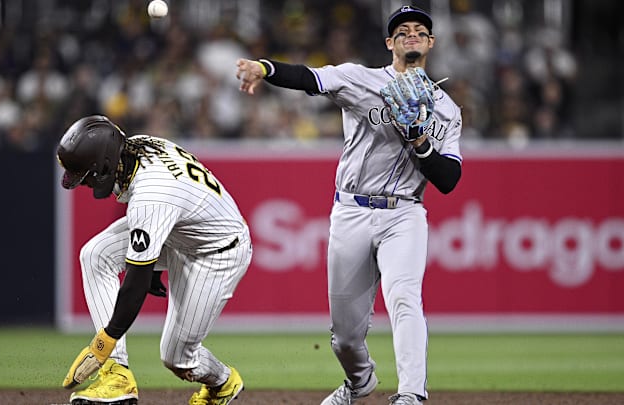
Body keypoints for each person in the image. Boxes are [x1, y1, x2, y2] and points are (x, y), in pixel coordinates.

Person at [235, 5, 462, 405]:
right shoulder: (361, 79)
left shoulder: (447, 109)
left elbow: (449, 180)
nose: (412, 34)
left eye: (420, 30)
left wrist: (420, 142)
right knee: (344, 337)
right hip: (352, 210)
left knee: (404, 295)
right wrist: (264, 68)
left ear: (430, 43)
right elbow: (311, 78)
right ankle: (359, 382)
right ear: (389, 43)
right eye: (402, 31)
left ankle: (412, 394)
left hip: (405, 212)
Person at [57, 115, 252, 405]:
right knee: (96, 255)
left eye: (84, 175)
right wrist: (151, 256)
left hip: (216, 253)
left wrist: (103, 343)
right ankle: (116, 376)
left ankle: (223, 383)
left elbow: (134, 287)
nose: (83, 183)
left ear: (104, 165)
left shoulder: (152, 195)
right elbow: (168, 210)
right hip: (180, 231)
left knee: (178, 359)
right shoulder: (137, 148)